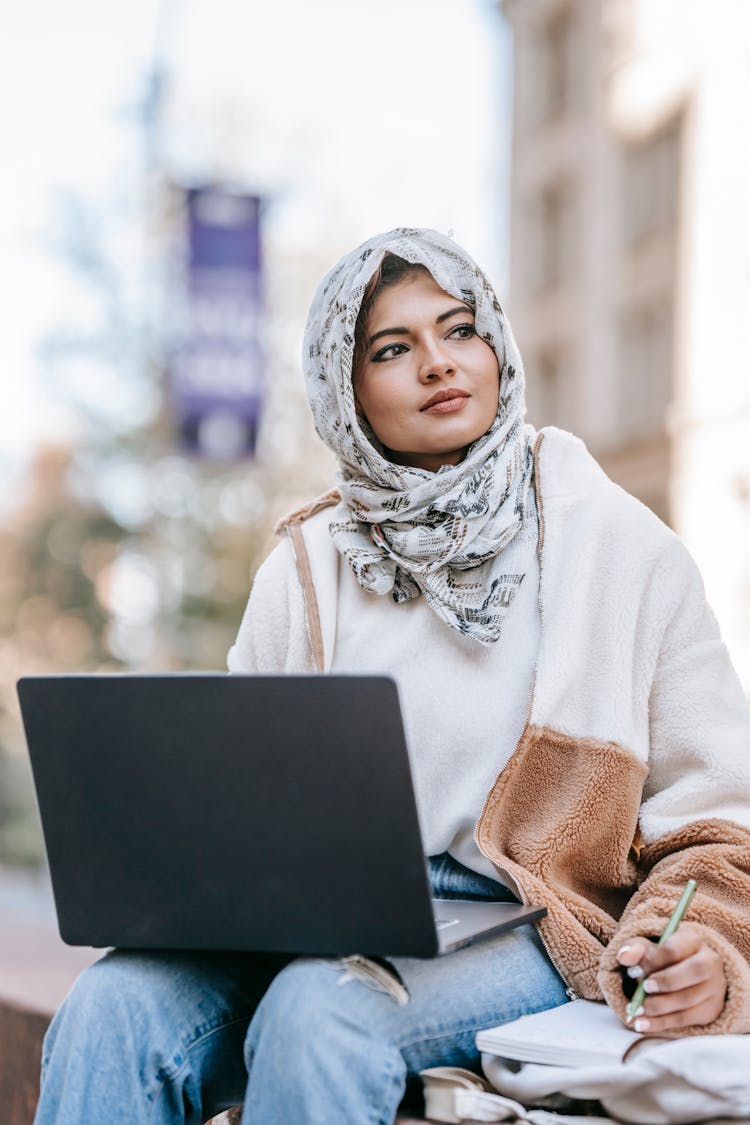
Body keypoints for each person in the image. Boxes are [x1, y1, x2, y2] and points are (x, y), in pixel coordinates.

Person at [35, 228, 750, 1125]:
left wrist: (698, 946)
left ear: (497, 343)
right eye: (393, 348)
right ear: (348, 387)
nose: (438, 365)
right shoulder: (305, 564)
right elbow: (230, 802)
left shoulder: (620, 548)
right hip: (305, 915)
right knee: (113, 1005)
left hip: (523, 925)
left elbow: (723, 822)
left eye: (460, 330)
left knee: (322, 1012)